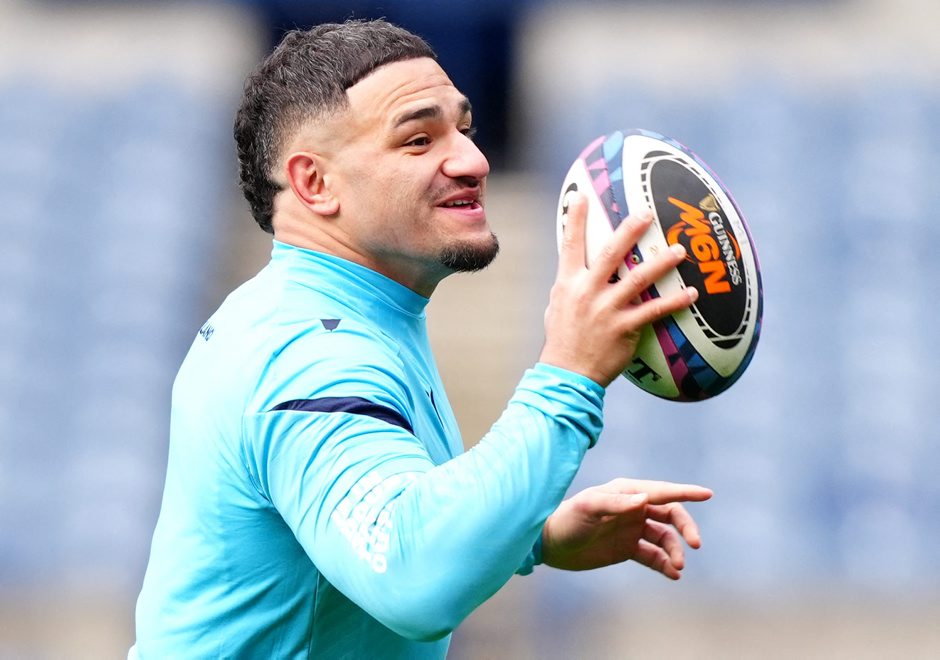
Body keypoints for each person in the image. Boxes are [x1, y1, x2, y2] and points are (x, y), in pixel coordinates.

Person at [132, 18, 711, 659]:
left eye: (464, 129)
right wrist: (568, 377)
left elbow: (370, 523)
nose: (473, 161)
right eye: (418, 140)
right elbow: (410, 577)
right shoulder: (307, 356)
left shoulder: (327, 316)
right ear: (314, 184)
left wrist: (533, 537)